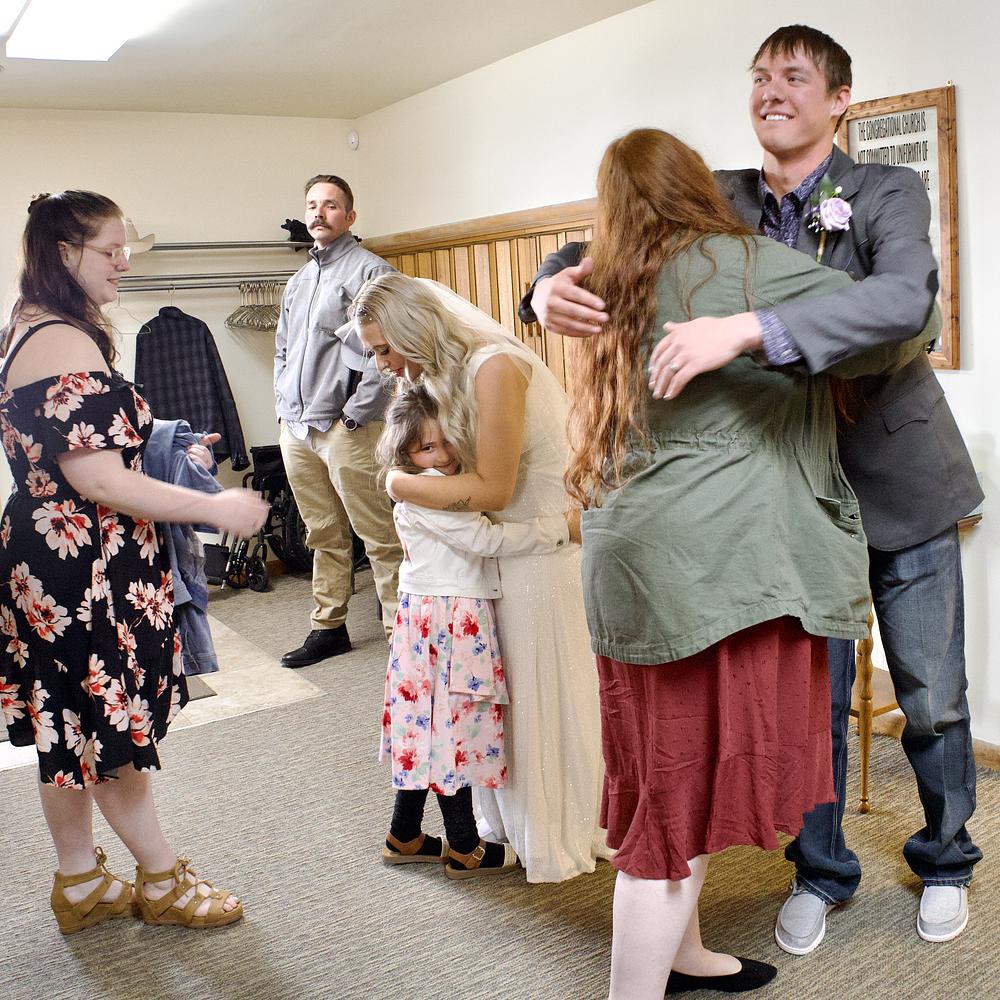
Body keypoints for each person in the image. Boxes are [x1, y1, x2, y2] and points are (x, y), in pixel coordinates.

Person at [521, 24, 982, 951]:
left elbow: (908, 304)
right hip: (781, 504)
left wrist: (748, 329)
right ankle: (821, 872)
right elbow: (602, 245)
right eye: (760, 75)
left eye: (795, 76)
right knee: (810, 707)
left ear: (839, 100)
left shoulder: (886, 189)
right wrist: (542, 288)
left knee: (932, 695)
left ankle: (945, 858)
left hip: (897, 478)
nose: (772, 90)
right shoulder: (719, 194)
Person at [567, 128, 931, 1000]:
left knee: (659, 776)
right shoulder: (749, 266)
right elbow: (910, 318)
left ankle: (685, 955)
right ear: (699, 187)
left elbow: (562, 272)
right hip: (719, 569)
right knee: (672, 811)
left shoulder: (605, 283)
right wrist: (770, 330)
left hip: (629, 559)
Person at [0, 190, 269, 932]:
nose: (124, 262)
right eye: (110, 250)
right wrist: (216, 507)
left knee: (68, 726)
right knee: (109, 732)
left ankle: (80, 881)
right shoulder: (63, 339)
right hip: (82, 561)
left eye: (127, 248)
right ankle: (162, 880)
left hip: (51, 552)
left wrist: (168, 446)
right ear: (64, 252)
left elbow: (83, 454)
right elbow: (100, 480)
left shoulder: (29, 324)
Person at [349, 271, 607, 884]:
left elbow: (492, 488)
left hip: (534, 551)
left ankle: (558, 826)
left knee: (539, 693)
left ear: (412, 328)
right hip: (485, 560)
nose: (382, 365)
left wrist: (399, 484)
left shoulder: (493, 367)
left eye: (384, 349)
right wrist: (401, 483)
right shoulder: (435, 381)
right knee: (490, 702)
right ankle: (500, 823)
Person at [378, 385, 574, 879]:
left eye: (448, 441)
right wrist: (560, 529)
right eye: (427, 447)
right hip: (449, 620)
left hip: (425, 618)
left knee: (425, 727)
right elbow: (485, 539)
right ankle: (464, 844)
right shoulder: (430, 492)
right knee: (453, 728)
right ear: (406, 453)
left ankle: (405, 834)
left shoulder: (418, 485)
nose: (443, 456)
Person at [274, 174, 403, 667]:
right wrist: (283, 403)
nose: (318, 212)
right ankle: (328, 627)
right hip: (297, 427)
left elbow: (388, 351)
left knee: (379, 536)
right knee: (322, 533)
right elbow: (283, 348)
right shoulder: (299, 279)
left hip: (348, 428)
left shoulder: (372, 271)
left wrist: (355, 415)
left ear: (349, 216)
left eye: (330, 205)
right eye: (312, 204)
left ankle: (402, 637)